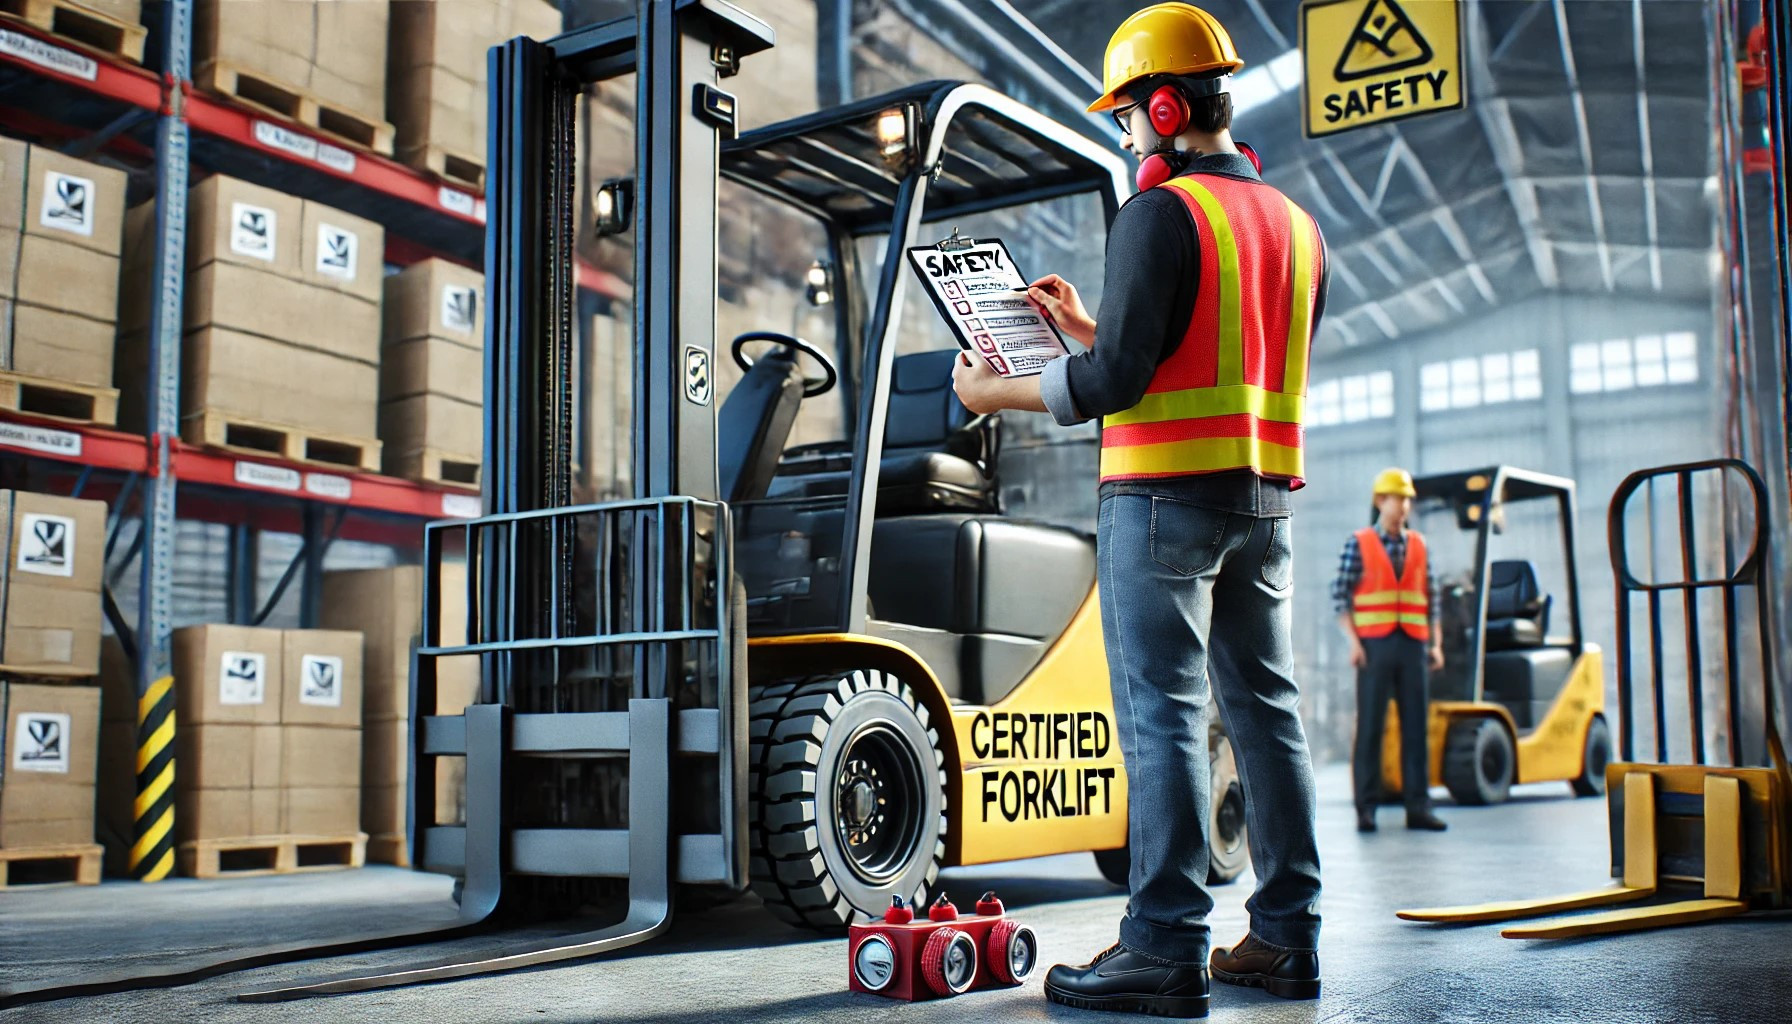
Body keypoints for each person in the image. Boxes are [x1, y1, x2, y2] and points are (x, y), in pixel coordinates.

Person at [950, 4, 1327, 1016]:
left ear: (1165, 108)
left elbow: (1119, 380)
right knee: (1263, 714)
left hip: (1162, 503)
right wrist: (1087, 321)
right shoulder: (1295, 225)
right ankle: (1287, 937)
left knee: (1160, 715)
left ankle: (1162, 945)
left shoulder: (1160, 214)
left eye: (1126, 118)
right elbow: (1211, 346)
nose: (1125, 136)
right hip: (1263, 507)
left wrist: (996, 394)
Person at [1334, 468, 1450, 834]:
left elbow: (1431, 599)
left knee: (1416, 728)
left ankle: (1419, 807)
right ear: (1381, 501)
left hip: (1413, 644)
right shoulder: (1360, 542)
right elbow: (1340, 597)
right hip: (1374, 646)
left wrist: (1437, 643)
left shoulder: (1419, 544)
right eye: (1399, 498)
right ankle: (1366, 809)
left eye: (1408, 499)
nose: (1405, 506)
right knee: (1370, 728)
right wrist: (1354, 643)